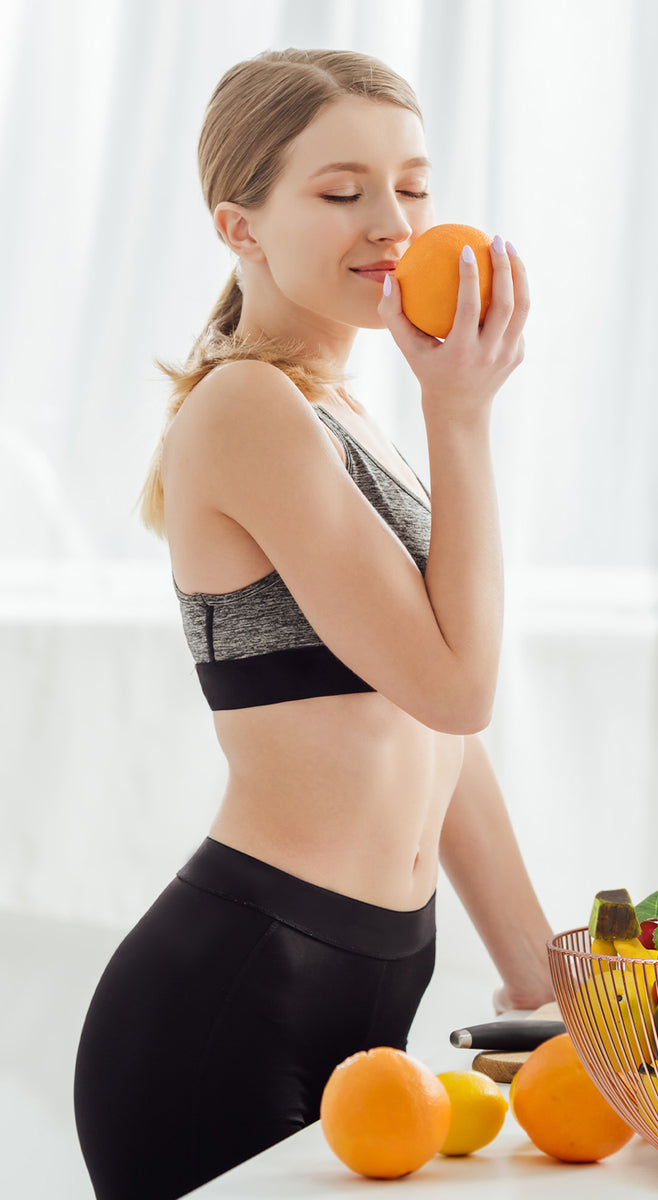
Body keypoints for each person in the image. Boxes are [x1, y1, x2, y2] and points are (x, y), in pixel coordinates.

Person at [73, 47, 553, 1200]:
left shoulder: (343, 413)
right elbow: (459, 685)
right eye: (341, 193)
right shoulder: (247, 407)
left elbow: (432, 727)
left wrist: (538, 973)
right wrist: (463, 414)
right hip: (234, 988)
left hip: (372, 976)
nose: (391, 222)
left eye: (414, 186)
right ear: (240, 227)